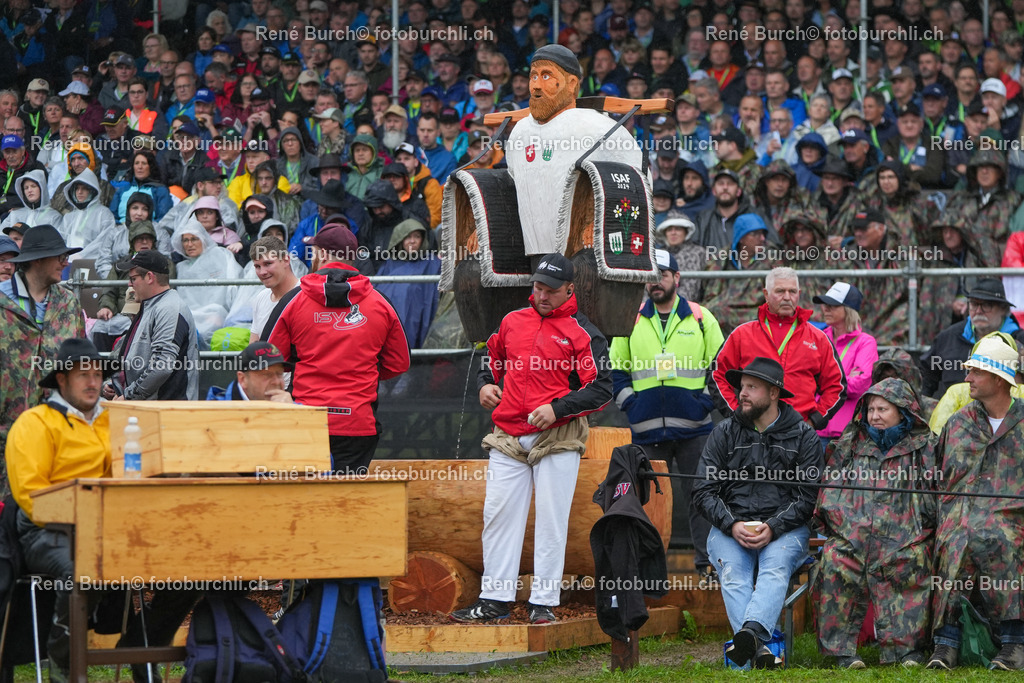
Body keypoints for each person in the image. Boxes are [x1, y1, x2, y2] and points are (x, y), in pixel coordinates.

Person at [6, 337, 197, 683]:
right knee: (85, 565)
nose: (94, 381)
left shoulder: (117, 423)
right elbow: (33, 497)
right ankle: (64, 665)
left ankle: (144, 642)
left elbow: (136, 481)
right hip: (47, 529)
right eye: (83, 374)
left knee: (193, 562)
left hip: (111, 525)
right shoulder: (34, 423)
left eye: (97, 373)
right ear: (61, 380)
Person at [451, 253, 612, 625]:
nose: (542, 295)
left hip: (558, 435)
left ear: (569, 289)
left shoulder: (584, 332)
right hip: (508, 432)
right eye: (538, 287)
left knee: (551, 521)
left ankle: (543, 603)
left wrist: (558, 408)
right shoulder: (511, 321)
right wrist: (486, 384)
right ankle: (495, 599)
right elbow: (489, 358)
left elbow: (603, 387)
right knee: (498, 516)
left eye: (551, 290)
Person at [693, 357, 822, 669]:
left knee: (775, 568)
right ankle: (759, 648)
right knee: (734, 574)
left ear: (774, 392)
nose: (743, 394)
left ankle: (748, 646)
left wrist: (774, 527)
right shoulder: (723, 433)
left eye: (752, 387)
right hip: (730, 528)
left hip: (786, 529)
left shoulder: (804, 436)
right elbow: (702, 490)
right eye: (742, 387)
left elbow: (808, 498)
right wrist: (732, 523)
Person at [609, 249, 724, 577]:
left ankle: (707, 567)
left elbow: (722, 367)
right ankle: (647, 572)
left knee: (701, 499)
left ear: (677, 278)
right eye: (650, 276)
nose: (655, 282)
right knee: (646, 503)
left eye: (662, 274)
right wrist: (631, 404)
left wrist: (702, 404)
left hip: (696, 430)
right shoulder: (629, 317)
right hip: (646, 432)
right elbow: (617, 370)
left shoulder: (702, 318)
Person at [812, 378, 937, 668]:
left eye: (883, 409)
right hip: (853, 535)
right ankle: (840, 651)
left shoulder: (925, 447)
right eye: (870, 409)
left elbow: (936, 496)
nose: (874, 416)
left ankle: (907, 651)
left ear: (903, 411)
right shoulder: (851, 443)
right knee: (835, 558)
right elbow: (829, 489)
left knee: (913, 558)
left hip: (907, 536)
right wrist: (845, 526)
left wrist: (917, 532)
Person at [268, 226, 410, 472]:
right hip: (357, 423)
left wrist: (297, 360)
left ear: (322, 255)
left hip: (306, 421)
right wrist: (363, 366)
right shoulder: (380, 303)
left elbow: (267, 357)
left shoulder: (293, 301)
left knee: (307, 502)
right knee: (349, 503)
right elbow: (399, 362)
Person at [928, 335, 1024, 671]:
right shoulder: (958, 423)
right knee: (956, 539)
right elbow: (936, 475)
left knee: (1002, 538)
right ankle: (946, 643)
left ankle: (1015, 643)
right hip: (961, 516)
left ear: (998, 379)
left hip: (1014, 519)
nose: (966, 378)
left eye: (975, 372)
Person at [0, 225, 85, 497]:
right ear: (37, 260)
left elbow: (81, 361)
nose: (65, 262)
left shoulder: (69, 303)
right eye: (59, 256)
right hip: (6, 431)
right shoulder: (2, 301)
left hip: (55, 432)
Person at [712, 267, 847, 428]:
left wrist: (815, 420)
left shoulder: (818, 338)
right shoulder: (742, 334)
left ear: (799, 293)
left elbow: (837, 386)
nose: (787, 297)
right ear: (766, 294)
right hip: (752, 433)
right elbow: (716, 375)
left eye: (792, 291)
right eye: (780, 291)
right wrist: (737, 414)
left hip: (799, 434)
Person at [103, 250, 199, 401]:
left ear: (149, 277)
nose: (129, 284)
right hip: (151, 409)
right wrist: (115, 385)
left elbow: (162, 366)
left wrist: (129, 395)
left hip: (169, 412)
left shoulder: (169, 308)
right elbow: (136, 357)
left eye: (133, 278)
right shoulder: (150, 305)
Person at [919, 278, 1024, 398]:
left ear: (1003, 309)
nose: (979, 311)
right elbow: (926, 375)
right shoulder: (948, 338)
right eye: (974, 304)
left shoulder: (1020, 341)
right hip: (952, 412)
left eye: (987, 305)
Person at [813, 282, 879, 447]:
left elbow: (859, 386)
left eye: (832, 305)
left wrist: (821, 380)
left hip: (847, 433)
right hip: (814, 428)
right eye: (824, 305)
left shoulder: (865, 342)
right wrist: (844, 379)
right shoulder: (817, 337)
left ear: (848, 310)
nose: (825, 309)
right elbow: (803, 379)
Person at [247, 235, 300, 342]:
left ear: (286, 260)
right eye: (257, 266)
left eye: (268, 264)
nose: (262, 272)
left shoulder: (305, 294)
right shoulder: (261, 298)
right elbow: (254, 347)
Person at [207, 341, 293, 402]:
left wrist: (292, 414)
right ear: (242, 379)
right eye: (267, 375)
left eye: (280, 374)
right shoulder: (215, 412)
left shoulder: (294, 409)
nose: (277, 382)